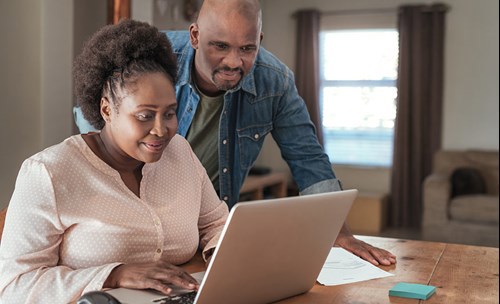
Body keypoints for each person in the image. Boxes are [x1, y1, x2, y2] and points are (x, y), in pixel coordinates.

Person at [75, 0, 396, 266]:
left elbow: (308, 159)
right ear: (195, 36)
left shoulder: (276, 81)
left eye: (247, 48)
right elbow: (97, 127)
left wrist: (336, 232)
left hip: (210, 226)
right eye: (220, 46)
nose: (234, 61)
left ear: (260, 40)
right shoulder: (151, 61)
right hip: (136, 224)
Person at [0, 19, 228, 303]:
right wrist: (114, 274)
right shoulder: (48, 173)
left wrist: (226, 258)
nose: (161, 129)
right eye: (145, 115)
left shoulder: (179, 152)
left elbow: (216, 223)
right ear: (106, 109)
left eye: (170, 113)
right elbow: (13, 287)